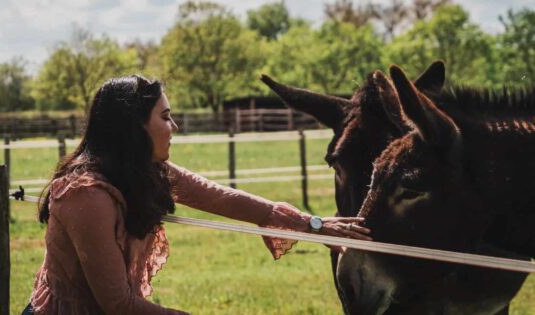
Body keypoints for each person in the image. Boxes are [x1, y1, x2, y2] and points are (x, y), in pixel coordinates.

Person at [23, 75, 371, 314]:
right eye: (165, 117)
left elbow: (220, 197)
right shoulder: (87, 195)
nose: (174, 127)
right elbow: (116, 304)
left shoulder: (143, 170)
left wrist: (314, 224)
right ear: (134, 127)